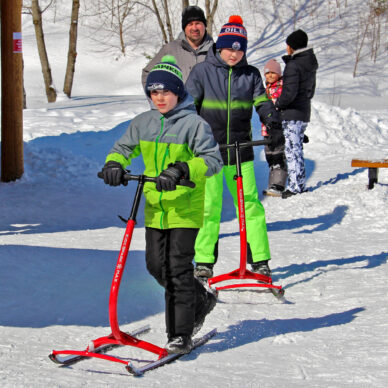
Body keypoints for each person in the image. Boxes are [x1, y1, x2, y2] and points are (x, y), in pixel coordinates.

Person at [102, 56, 223, 355]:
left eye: (165, 92)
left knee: (178, 269)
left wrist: (182, 169)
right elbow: (123, 148)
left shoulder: (194, 124)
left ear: (178, 92)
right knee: (157, 267)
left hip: (185, 207)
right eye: (154, 92)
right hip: (156, 208)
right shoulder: (143, 123)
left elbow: (212, 160)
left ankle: (180, 334)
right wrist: (114, 164)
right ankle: (202, 299)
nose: (159, 98)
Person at [186, 16, 284, 280]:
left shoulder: (250, 75)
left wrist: (272, 121)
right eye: (229, 47)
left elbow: (262, 102)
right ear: (219, 46)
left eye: (239, 48)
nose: (234, 53)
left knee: (250, 204)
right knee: (209, 206)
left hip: (241, 151)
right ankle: (204, 261)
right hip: (209, 153)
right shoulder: (202, 72)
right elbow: (187, 109)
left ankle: (259, 259)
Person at [274, 29, 318, 199]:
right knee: (296, 148)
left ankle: (295, 186)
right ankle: (298, 183)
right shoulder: (310, 63)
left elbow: (289, 92)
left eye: (287, 45)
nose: (286, 48)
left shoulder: (294, 65)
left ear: (292, 46)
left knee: (292, 150)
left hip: (292, 113)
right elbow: (310, 91)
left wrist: (279, 104)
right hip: (303, 111)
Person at [141, 6, 213, 87]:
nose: (194, 28)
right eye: (190, 24)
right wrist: (157, 97)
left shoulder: (216, 51)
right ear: (184, 28)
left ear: (205, 25)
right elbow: (148, 73)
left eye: (198, 23)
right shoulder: (170, 50)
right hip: (181, 99)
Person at [261, 58, 288, 197]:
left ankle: (279, 185)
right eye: (267, 73)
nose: (270, 75)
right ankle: (272, 184)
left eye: (273, 72)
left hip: (278, 127)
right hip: (266, 128)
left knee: (278, 155)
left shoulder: (282, 87)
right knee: (270, 156)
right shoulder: (265, 88)